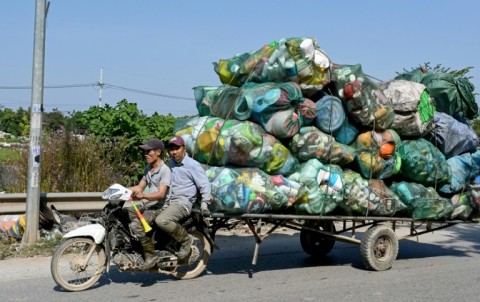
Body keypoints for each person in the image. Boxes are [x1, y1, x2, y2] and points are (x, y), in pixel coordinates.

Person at [155, 135, 211, 261]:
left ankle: (186, 240)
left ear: (184, 149)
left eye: (177, 148)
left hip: (183, 203)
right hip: (170, 202)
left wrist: (204, 204)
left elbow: (205, 185)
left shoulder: (193, 165)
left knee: (162, 220)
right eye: (171, 149)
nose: (174, 152)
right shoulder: (171, 163)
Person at [126, 138, 171, 270]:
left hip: (160, 206)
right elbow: (140, 187)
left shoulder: (165, 170)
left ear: (158, 152)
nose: (145, 154)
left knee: (136, 225)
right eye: (144, 151)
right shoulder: (148, 168)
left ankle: (151, 255)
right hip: (149, 204)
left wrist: (144, 195)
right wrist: (120, 189)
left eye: (148, 151)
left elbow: (161, 194)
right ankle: (142, 242)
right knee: (127, 212)